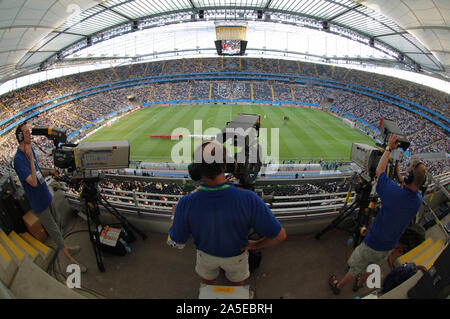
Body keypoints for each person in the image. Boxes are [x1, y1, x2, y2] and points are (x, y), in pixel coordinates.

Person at [168, 141, 286, 286]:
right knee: (237, 287)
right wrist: (254, 245)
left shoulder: (186, 202)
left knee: (207, 284)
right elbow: (280, 235)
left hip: (205, 257)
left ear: (195, 170)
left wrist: (175, 216)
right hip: (237, 258)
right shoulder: (249, 198)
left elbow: (176, 243)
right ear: (228, 165)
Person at [328, 134, 425, 294]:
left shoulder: (394, 194)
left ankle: (338, 287)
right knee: (371, 265)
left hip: (374, 241)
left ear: (408, 178)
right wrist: (400, 171)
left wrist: (389, 149)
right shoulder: (418, 199)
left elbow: (380, 171)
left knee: (356, 265)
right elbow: (406, 184)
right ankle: (360, 283)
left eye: (407, 173)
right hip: (390, 244)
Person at [13, 121, 87, 272]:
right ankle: (72, 261)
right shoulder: (18, 159)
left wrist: (50, 172)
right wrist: (30, 160)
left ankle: (67, 248)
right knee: (55, 232)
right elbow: (33, 182)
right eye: (27, 132)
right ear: (20, 136)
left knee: (58, 224)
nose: (30, 134)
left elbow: (38, 172)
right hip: (38, 203)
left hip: (46, 195)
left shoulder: (31, 150)